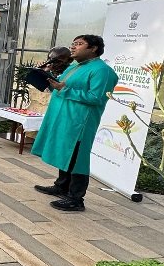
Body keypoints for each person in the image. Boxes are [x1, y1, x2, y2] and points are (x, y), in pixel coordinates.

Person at [31, 35, 119, 212]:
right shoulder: (75, 66)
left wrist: (64, 89)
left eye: (79, 44)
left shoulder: (102, 71)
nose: (73, 48)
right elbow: (62, 86)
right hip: (65, 118)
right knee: (66, 153)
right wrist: (46, 78)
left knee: (77, 157)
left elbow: (97, 98)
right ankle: (62, 186)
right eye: (73, 44)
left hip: (80, 122)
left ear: (93, 48)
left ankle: (76, 199)